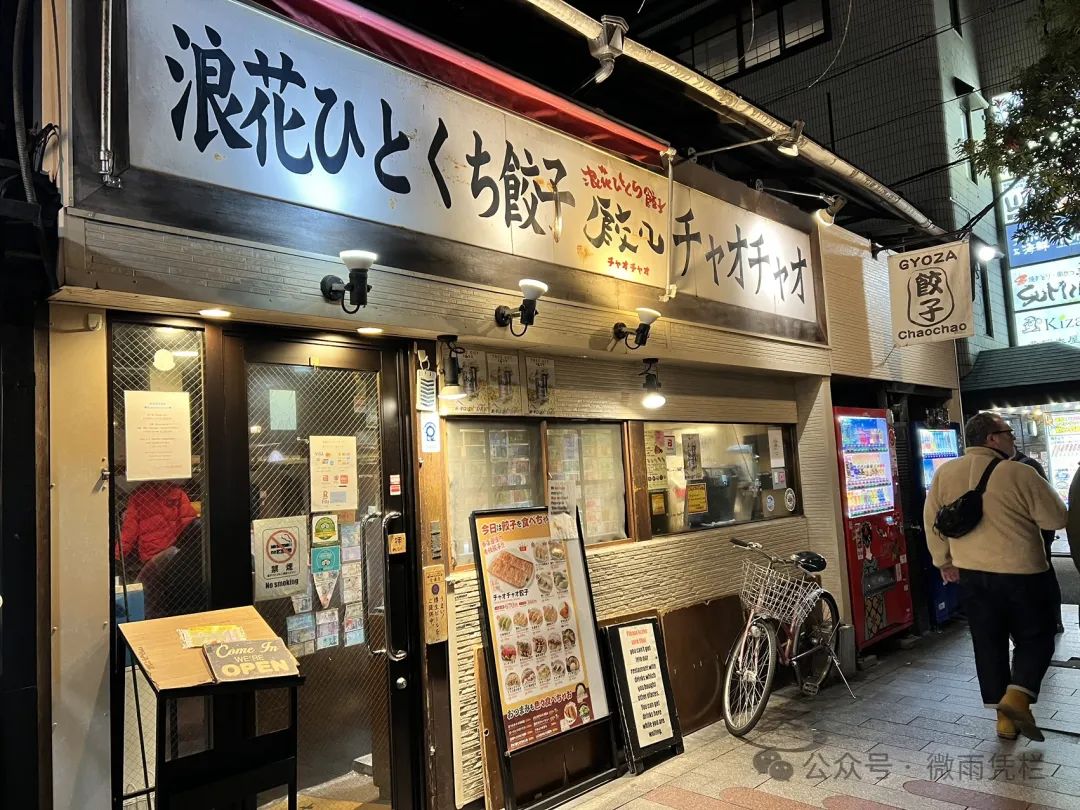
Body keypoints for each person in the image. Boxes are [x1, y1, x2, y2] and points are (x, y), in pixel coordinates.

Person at [924, 412, 1066, 742]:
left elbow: (933, 522)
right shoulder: (1020, 472)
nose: (1012, 438)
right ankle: (1017, 698)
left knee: (988, 643)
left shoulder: (945, 473)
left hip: (972, 575)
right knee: (1037, 637)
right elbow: (1056, 518)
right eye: (1008, 432)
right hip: (1023, 574)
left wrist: (943, 561)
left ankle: (1004, 721)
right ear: (992, 438)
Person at [1012, 449, 1065, 634]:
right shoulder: (1013, 467)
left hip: (1036, 535)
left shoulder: (1027, 467)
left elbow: (1049, 508)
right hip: (1026, 537)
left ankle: (1053, 621)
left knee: (1043, 577)